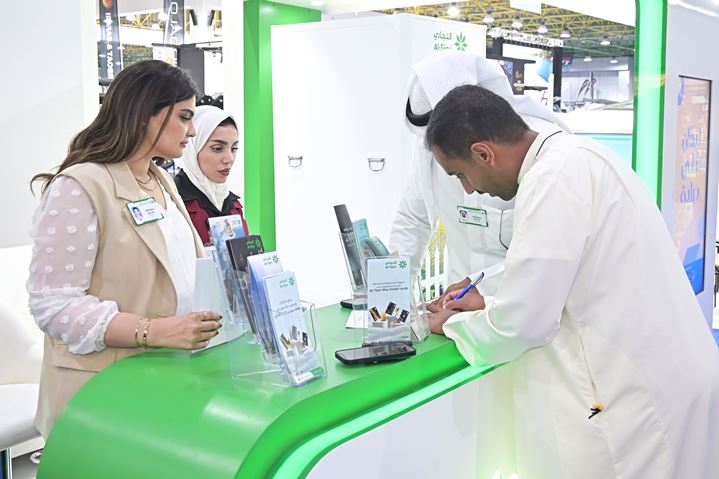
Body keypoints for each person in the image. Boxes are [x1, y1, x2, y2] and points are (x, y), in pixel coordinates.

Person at [427, 85, 719, 478]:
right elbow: (576, 286)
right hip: (666, 384)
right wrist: (489, 304)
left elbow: (523, 325)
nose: (468, 188)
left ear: (483, 153)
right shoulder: (580, 156)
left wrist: (453, 323)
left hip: (636, 404)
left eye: (461, 173)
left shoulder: (552, 179)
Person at [27, 60, 223, 438]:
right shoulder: (80, 185)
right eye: (184, 116)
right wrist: (153, 331)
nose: (192, 130)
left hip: (168, 380)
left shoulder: (160, 180)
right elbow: (54, 304)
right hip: (102, 392)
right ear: (144, 113)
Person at [389, 52, 569, 303]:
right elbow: (411, 222)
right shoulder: (427, 157)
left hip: (521, 310)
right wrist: (391, 297)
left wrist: (488, 305)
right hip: (458, 309)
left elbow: (552, 262)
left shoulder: (538, 153)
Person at [174, 105, 247, 245]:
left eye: (234, 148)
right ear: (192, 147)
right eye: (217, 149)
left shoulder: (233, 204)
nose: (229, 159)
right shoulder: (173, 203)